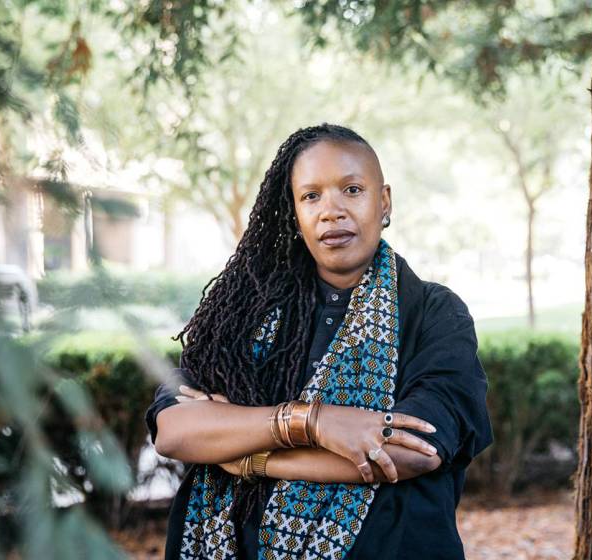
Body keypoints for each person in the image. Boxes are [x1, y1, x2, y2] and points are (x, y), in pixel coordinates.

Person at [145, 122, 493, 559]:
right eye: (311, 196)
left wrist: (251, 458)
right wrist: (315, 423)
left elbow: (411, 453)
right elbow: (175, 430)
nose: (331, 210)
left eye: (352, 189)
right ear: (294, 211)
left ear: (383, 202)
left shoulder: (434, 313)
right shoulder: (242, 312)